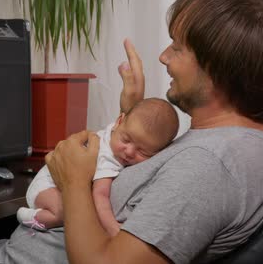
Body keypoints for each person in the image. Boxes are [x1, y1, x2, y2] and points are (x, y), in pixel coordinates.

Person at [0, 0, 263, 264]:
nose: (164, 57)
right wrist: (132, 110)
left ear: (217, 70)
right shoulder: (237, 141)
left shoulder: (208, 166)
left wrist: (75, 180)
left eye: (177, 47)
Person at [17, 98, 178, 236]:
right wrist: (112, 227)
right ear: (119, 121)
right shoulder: (108, 158)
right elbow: (100, 196)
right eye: (126, 140)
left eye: (143, 152)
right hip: (45, 187)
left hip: (53, 182)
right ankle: (29, 217)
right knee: (63, 212)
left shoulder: (116, 131)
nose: (129, 152)